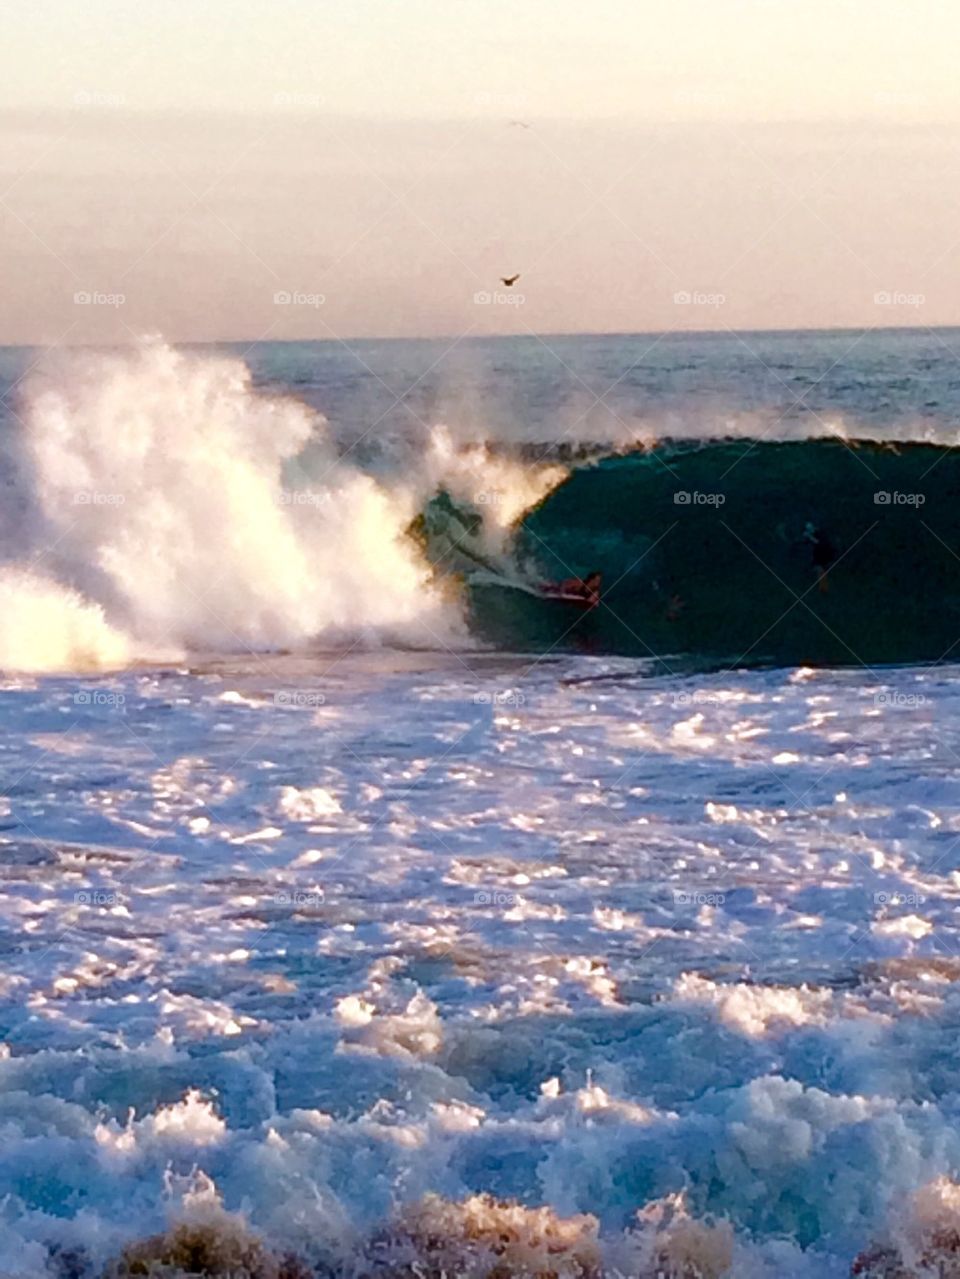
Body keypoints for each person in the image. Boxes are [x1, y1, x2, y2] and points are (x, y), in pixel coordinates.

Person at [802, 522, 836, 593]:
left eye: (811, 528)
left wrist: (810, 537)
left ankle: (824, 589)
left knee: (821, 571)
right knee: (819, 570)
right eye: (808, 529)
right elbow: (806, 543)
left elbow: (820, 543)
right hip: (817, 556)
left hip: (825, 554)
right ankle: (822, 588)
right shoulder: (811, 534)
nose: (810, 530)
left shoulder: (820, 533)